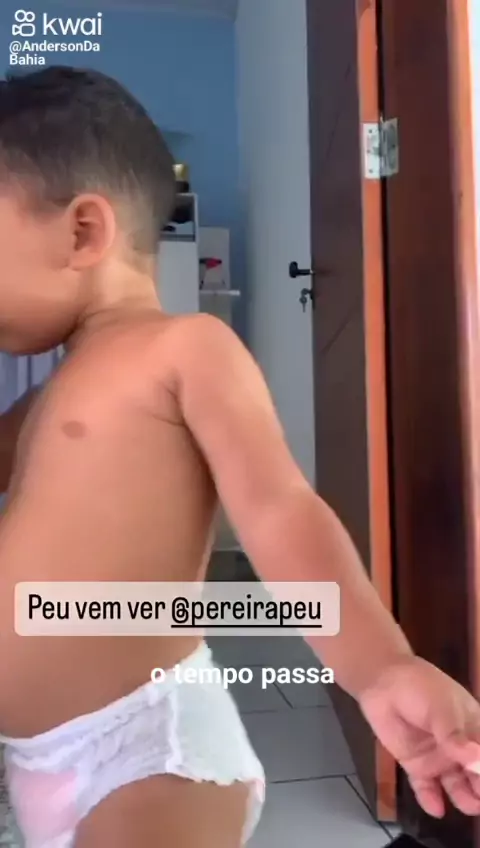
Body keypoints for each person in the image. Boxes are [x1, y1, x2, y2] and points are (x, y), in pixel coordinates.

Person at [0, 65, 478, 848]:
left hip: (146, 752)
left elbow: (279, 509)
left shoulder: (185, 348)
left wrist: (380, 666)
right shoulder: (51, 393)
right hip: (32, 761)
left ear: (83, 232)